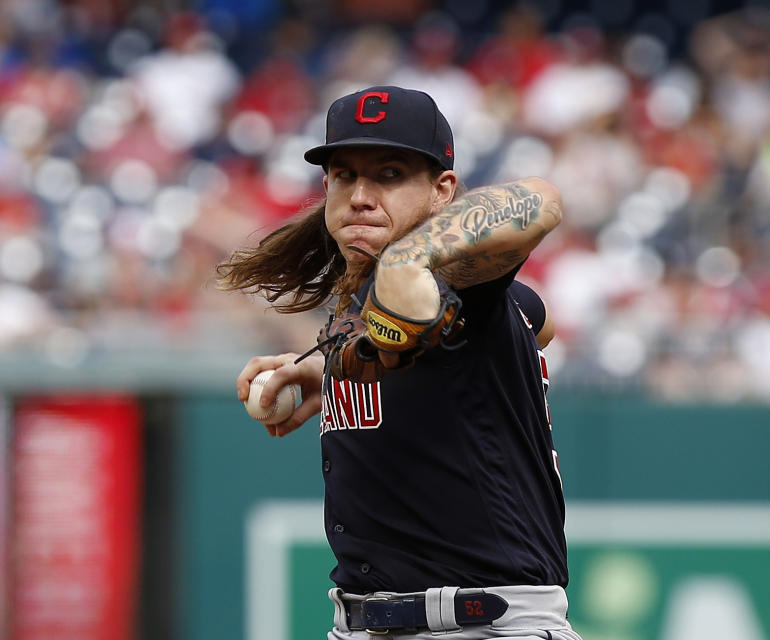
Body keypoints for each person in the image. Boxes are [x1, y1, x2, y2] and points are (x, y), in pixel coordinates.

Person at [217, 85, 581, 640]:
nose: (361, 195)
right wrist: (326, 371)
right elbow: (538, 318)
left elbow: (541, 200)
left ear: (443, 191)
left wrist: (412, 257)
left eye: (389, 174)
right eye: (345, 176)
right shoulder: (368, 302)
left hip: (481, 624)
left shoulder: (457, 277)